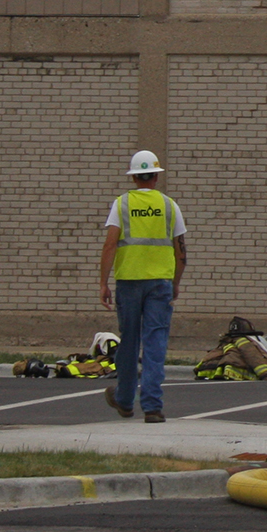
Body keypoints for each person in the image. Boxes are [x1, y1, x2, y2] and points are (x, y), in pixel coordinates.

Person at [99, 150, 186, 423]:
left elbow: (110, 244)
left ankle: (125, 401)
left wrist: (103, 282)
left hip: (128, 282)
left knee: (129, 342)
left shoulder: (121, 204)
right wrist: (175, 283)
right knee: (155, 342)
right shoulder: (170, 206)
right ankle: (152, 407)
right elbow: (181, 252)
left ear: (134, 176)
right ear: (157, 177)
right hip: (160, 283)